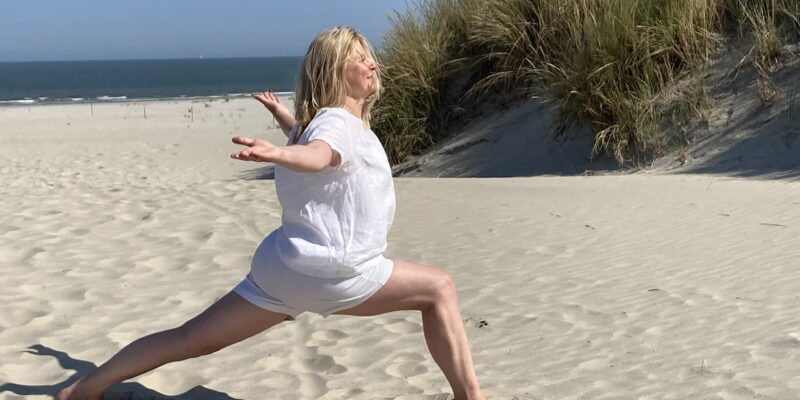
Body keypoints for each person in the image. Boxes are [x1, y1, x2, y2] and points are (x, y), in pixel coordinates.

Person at [58, 26, 484, 400]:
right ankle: (471, 397)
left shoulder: (321, 121)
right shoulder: (338, 123)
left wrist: (283, 125)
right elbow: (317, 156)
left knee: (190, 338)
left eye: (369, 55)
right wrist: (280, 153)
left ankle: (83, 390)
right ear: (335, 72)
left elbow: (307, 141)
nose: (372, 64)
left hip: (282, 269)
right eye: (358, 58)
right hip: (339, 274)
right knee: (439, 289)